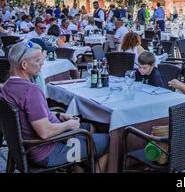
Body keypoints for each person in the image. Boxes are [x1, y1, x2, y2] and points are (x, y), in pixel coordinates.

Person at [0, 41, 109, 171]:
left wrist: (58, 115)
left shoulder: (7, 87)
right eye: (38, 60)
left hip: (27, 147)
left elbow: (29, 115)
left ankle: (81, 164)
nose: (42, 63)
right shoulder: (31, 90)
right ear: (24, 65)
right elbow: (45, 133)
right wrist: (69, 125)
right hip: (47, 152)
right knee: (110, 142)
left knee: (90, 127)